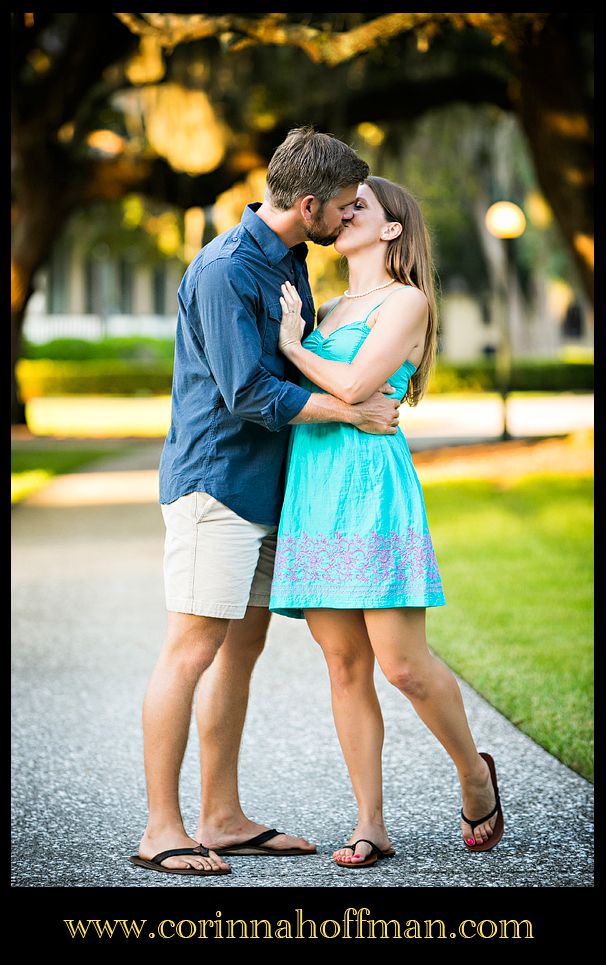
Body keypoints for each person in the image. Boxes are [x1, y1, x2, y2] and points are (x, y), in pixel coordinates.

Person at [129, 129, 404, 876]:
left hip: (267, 490)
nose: (351, 218)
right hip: (215, 485)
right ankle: (162, 827)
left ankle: (221, 816)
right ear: (307, 203)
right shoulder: (223, 270)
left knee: (239, 650)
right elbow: (246, 392)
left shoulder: (289, 254)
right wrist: (350, 409)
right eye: (345, 206)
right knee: (189, 648)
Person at [269, 175, 504, 868]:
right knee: (344, 666)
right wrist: (298, 339)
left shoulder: (408, 301)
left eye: (357, 206)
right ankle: (370, 824)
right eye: (342, 205)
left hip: (371, 489)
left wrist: (291, 347)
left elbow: (351, 386)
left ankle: (473, 773)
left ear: (391, 229)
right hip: (312, 488)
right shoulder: (327, 305)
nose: (342, 213)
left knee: (400, 664)